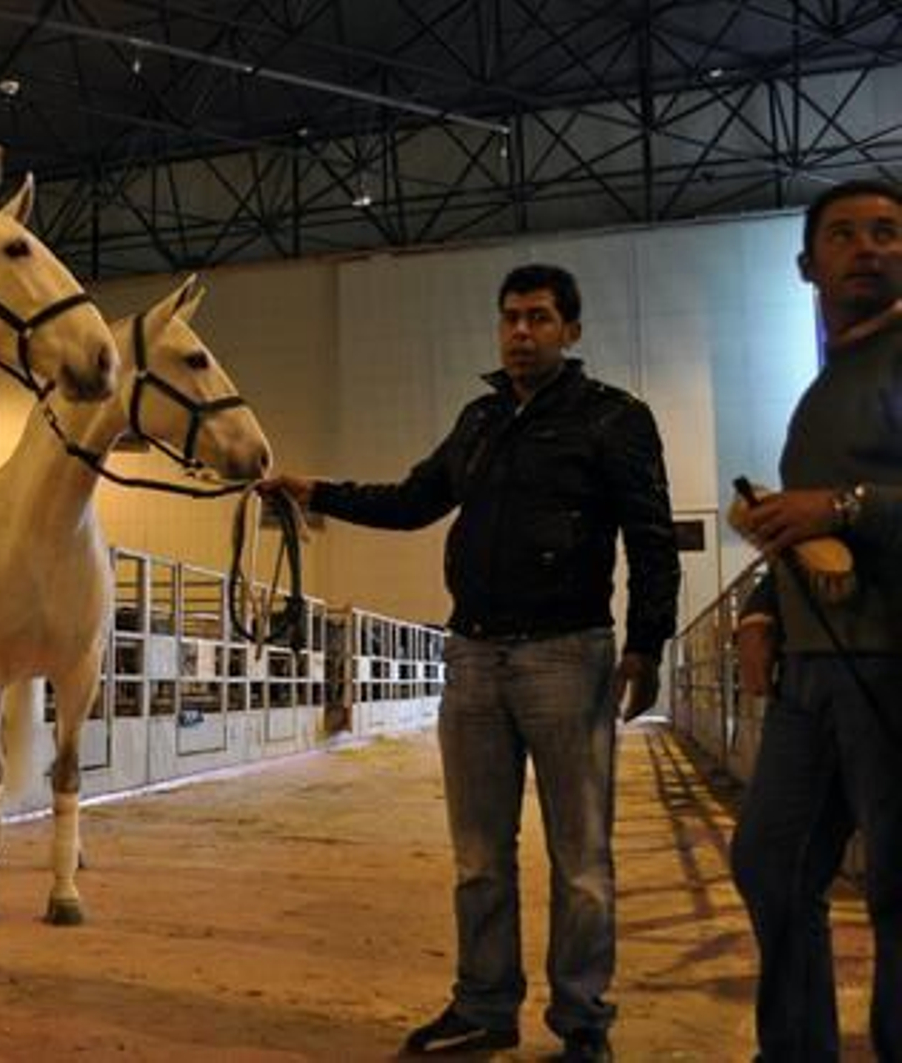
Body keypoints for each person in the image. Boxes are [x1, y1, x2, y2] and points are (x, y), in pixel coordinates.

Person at [262, 264, 680, 1062]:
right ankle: (484, 1006)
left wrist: (645, 645)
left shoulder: (614, 419)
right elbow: (414, 499)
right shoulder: (481, 420)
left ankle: (583, 1018)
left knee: (581, 857)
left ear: (572, 331)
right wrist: (312, 492)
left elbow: (651, 537)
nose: (521, 332)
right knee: (480, 853)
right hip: (475, 654)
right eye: (511, 318)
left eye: (540, 318)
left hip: (568, 652)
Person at [729, 179, 902, 1063]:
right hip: (813, 670)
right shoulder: (825, 384)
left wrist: (848, 505)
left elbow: (840, 509)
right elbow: (809, 525)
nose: (867, 248)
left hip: (890, 664)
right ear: (809, 265)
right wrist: (763, 608)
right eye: (843, 235)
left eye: (886, 233)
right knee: (771, 862)